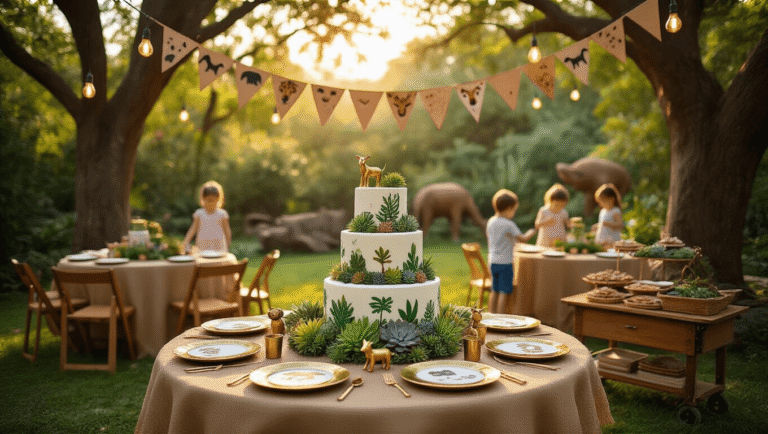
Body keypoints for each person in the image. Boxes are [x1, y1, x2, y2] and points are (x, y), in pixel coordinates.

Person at [486, 189, 535, 314]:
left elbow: (498, 239)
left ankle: (491, 316)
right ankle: (501, 317)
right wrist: (533, 231)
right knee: (504, 292)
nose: (513, 213)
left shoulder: (491, 221)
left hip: (493, 261)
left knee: (494, 290)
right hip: (505, 263)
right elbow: (523, 239)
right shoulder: (509, 224)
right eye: (514, 210)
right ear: (508, 208)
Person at [183, 181, 232, 252]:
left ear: (218, 199)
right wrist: (186, 242)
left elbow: (227, 231)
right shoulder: (199, 213)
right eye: (208, 200)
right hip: (202, 245)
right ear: (203, 199)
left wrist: (227, 244)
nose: (211, 203)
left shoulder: (222, 214)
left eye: (213, 200)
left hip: (219, 245)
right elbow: (193, 229)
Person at [592, 183, 624, 249]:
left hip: (611, 242)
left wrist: (607, 223)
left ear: (611, 199)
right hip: (602, 242)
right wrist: (598, 226)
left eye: (603, 201)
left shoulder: (615, 211)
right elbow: (603, 224)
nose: (601, 204)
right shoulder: (603, 211)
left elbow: (620, 225)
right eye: (600, 202)